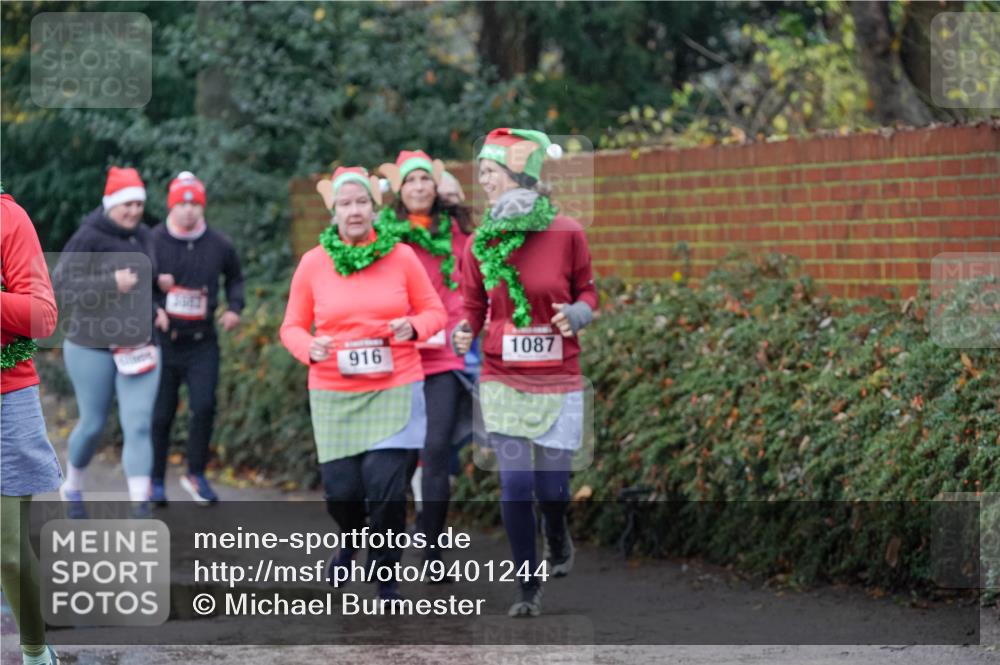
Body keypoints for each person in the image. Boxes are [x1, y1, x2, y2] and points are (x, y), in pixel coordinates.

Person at [280, 166, 446, 600]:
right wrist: (308, 347)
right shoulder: (313, 263)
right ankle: (352, 539)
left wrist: (412, 327)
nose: (354, 211)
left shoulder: (402, 257)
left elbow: (434, 313)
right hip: (334, 390)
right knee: (343, 494)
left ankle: (385, 569)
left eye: (361, 203)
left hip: (395, 384)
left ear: (375, 209)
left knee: (387, 490)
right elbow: (292, 327)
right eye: (345, 204)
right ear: (333, 212)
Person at [454, 128, 598, 617]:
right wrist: (463, 332)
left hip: (558, 374)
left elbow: (589, 294)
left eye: (491, 173)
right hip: (502, 375)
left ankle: (557, 535)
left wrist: (576, 314)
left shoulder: (567, 232)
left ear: (520, 176)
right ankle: (527, 588)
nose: (484, 183)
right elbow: (473, 304)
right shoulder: (479, 243)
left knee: (553, 489)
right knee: (515, 484)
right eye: (482, 175)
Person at [377, 150, 475, 571]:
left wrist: (459, 327)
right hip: (397, 358)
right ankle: (390, 547)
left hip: (443, 357)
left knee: (435, 451)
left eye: (425, 180)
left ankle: (433, 549)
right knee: (397, 458)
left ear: (436, 187)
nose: (419, 188)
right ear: (400, 190)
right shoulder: (383, 237)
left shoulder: (455, 232)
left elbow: (469, 286)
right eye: (411, 181)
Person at [52, 167, 167, 518]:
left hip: (139, 345)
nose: (133, 211)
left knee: (138, 422)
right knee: (92, 424)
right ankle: (72, 486)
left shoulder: (145, 236)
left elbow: (145, 285)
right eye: (126, 204)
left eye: (138, 204)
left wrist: (157, 308)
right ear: (110, 203)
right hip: (91, 345)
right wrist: (108, 283)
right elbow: (59, 288)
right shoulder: (89, 236)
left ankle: (139, 505)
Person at [150, 172, 244, 506]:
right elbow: (135, 286)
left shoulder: (220, 244)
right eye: (182, 204)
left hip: (203, 341)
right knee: (160, 414)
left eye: (195, 204)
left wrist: (235, 308)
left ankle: (196, 474)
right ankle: (155, 481)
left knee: (204, 407)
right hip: (164, 340)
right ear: (171, 205)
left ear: (202, 207)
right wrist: (153, 309)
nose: (188, 210)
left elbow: (235, 279)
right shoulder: (154, 240)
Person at [1, 186, 63, 665]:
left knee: (9, 553)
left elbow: (43, 317)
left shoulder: (10, 219)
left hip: (6, 395)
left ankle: (37, 653)